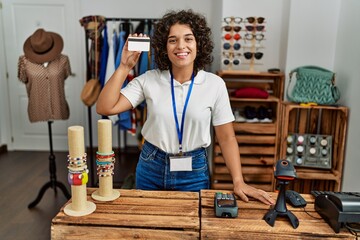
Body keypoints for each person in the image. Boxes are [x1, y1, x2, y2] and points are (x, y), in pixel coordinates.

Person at [97, 9, 274, 205]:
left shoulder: (215, 84)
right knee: (148, 228)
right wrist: (124, 67)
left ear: (199, 43)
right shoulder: (149, 79)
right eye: (173, 40)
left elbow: (226, 137)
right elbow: (105, 107)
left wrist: (238, 181)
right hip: (151, 166)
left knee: (189, 230)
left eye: (188, 39)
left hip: (194, 171)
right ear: (165, 46)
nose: (181, 46)